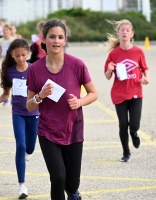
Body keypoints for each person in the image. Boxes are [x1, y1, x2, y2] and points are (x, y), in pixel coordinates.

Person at [26, 19, 98, 200]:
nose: (56, 41)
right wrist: (40, 95)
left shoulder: (77, 64)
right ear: (43, 39)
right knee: (57, 177)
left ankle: (73, 192)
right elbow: (29, 105)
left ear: (65, 41)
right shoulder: (35, 69)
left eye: (60, 37)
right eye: (52, 37)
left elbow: (93, 93)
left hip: (73, 128)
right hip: (48, 130)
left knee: (72, 183)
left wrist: (80, 102)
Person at [0, 39, 39, 199]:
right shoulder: (10, 71)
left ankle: (27, 155)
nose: (21, 58)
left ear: (28, 54)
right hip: (18, 113)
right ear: (12, 55)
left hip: (35, 113)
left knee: (30, 148)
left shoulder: (35, 69)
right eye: (17, 56)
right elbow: (5, 94)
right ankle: (22, 186)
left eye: (24, 55)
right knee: (21, 146)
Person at [104, 19, 150, 162]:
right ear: (118, 33)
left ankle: (134, 133)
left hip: (136, 92)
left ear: (132, 34)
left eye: (127, 30)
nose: (125, 32)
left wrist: (146, 78)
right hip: (119, 93)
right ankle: (126, 152)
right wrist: (109, 70)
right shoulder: (114, 54)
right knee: (123, 124)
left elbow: (145, 68)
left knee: (134, 124)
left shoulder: (138, 51)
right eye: (122, 30)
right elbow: (107, 76)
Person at [0, 24, 14, 106]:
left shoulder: (13, 40)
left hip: (12, 62)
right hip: (4, 61)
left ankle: (13, 97)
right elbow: (0, 50)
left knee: (13, 80)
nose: (5, 32)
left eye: (7, 30)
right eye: (4, 30)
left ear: (10, 31)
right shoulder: (0, 40)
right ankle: (5, 96)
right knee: (5, 80)